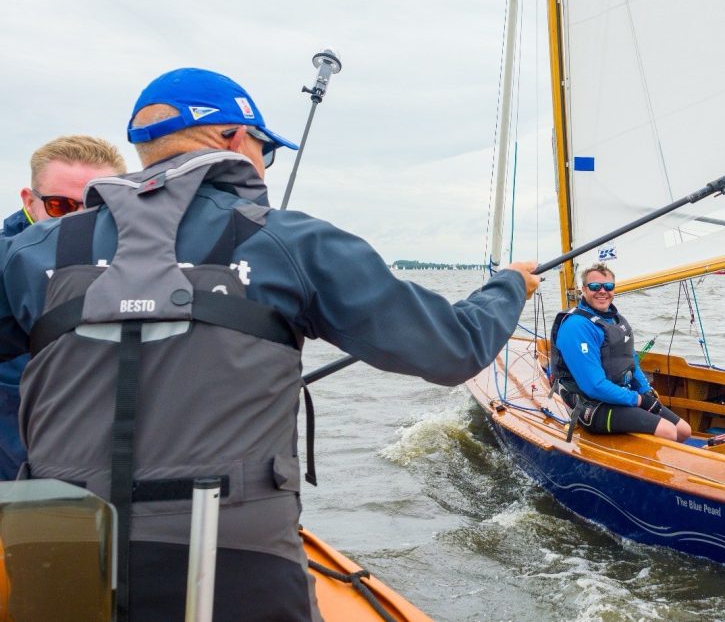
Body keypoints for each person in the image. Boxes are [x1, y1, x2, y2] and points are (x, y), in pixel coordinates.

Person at [0, 67, 540, 621]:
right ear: (234, 138)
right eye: (265, 149)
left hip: (55, 550)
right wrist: (509, 286)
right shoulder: (291, 240)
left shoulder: (31, 250)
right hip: (233, 558)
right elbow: (454, 349)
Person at [0, 135, 125, 480]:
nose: (79, 222)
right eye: (61, 206)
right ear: (29, 201)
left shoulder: (149, 275)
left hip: (103, 486)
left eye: (97, 208)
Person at [550, 263, 691, 442]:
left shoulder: (616, 321)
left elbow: (631, 362)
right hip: (591, 404)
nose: (602, 291)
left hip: (619, 395)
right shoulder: (577, 327)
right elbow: (594, 386)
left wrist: (645, 392)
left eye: (608, 286)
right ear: (583, 289)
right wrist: (638, 400)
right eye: (595, 287)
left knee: (684, 430)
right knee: (668, 431)